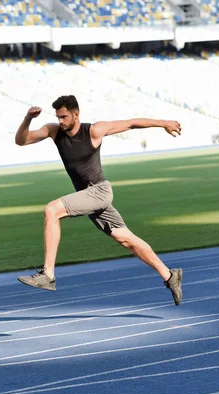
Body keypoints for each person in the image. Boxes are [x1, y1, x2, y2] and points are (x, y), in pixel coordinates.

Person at [15, 95, 183, 306]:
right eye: (58, 117)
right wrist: (28, 118)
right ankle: (169, 275)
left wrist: (164, 123)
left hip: (99, 192)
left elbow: (130, 124)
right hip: (88, 197)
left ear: (76, 114)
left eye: (64, 117)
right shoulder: (53, 131)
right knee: (126, 239)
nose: (60, 121)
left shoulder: (94, 131)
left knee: (52, 210)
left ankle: (47, 274)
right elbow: (21, 140)